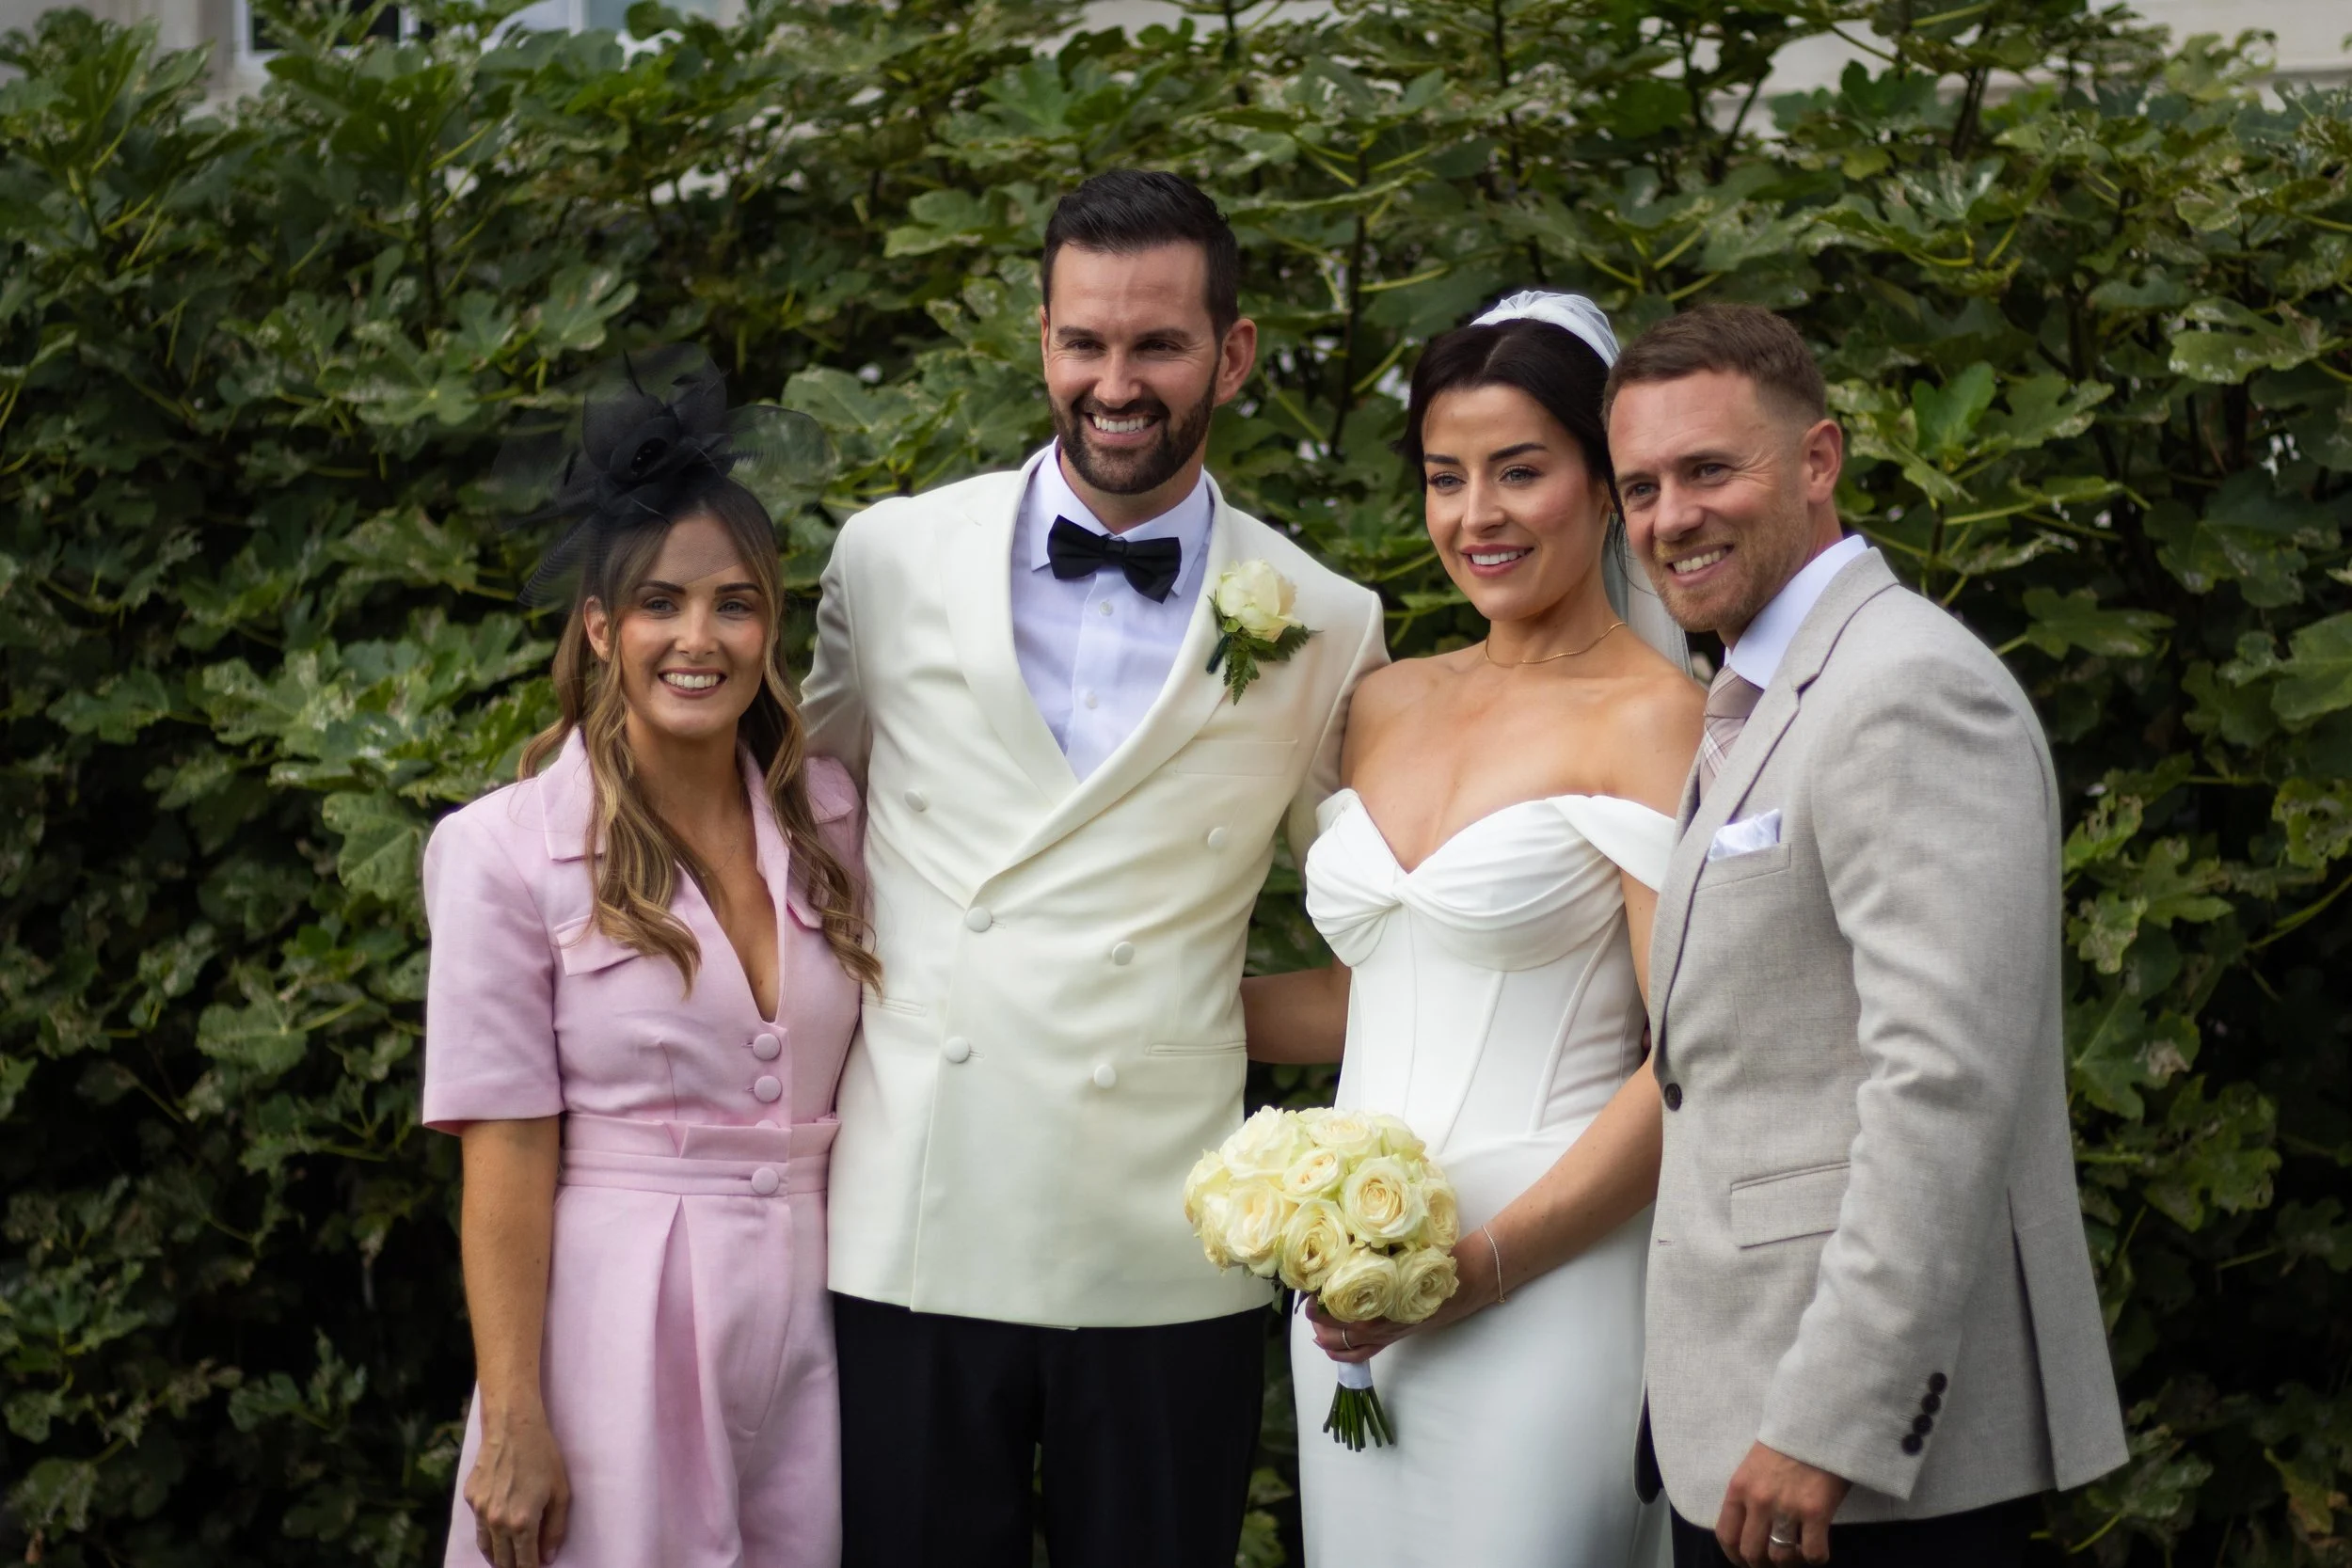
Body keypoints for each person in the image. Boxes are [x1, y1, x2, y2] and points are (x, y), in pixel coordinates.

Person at [802, 169, 1387, 1568]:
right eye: (1085, 342)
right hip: (914, 1218)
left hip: (1164, 1240)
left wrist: (1195, 1018)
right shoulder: (886, 558)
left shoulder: (1323, 621)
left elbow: (1389, 940)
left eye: (1158, 345)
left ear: (1232, 355)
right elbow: (779, 825)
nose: (1115, 385)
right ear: (1044, 339)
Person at [1607, 303, 2128, 1567]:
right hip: (1744, 1416)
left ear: (1819, 460)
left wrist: (1831, 1415)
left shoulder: (1905, 688)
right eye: (1641, 486)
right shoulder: (1769, 688)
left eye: (1709, 469)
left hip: (1859, 1463)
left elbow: (1941, 1083)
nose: (1672, 515)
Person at [1239, 292, 1700, 1564]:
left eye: (1520, 471)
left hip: (1546, 1284)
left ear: (1606, 485)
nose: (1476, 514)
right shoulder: (1385, 701)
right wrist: (1145, 1004)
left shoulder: (1656, 719)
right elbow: (1369, 996)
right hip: (1349, 1293)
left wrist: (1476, 1266)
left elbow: (1688, 1063)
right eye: (1447, 477)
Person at [421, 348, 869, 1568]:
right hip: (616, 1330)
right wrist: (513, 1413)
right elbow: (506, 1149)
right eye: (662, 604)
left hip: (820, 1325)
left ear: (770, 627)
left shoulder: (834, 821)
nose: (698, 638)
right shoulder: (503, 852)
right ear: (602, 629)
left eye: (735, 604)